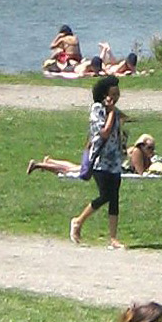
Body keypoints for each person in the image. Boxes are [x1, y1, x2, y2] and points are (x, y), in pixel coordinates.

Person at [71, 75, 126, 249]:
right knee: (106, 195)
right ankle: (78, 221)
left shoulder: (114, 110)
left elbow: (119, 125)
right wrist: (111, 112)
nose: (116, 97)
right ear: (104, 95)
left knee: (114, 198)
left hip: (115, 160)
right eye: (113, 93)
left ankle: (113, 239)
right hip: (100, 161)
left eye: (118, 93)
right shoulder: (97, 110)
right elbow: (104, 132)